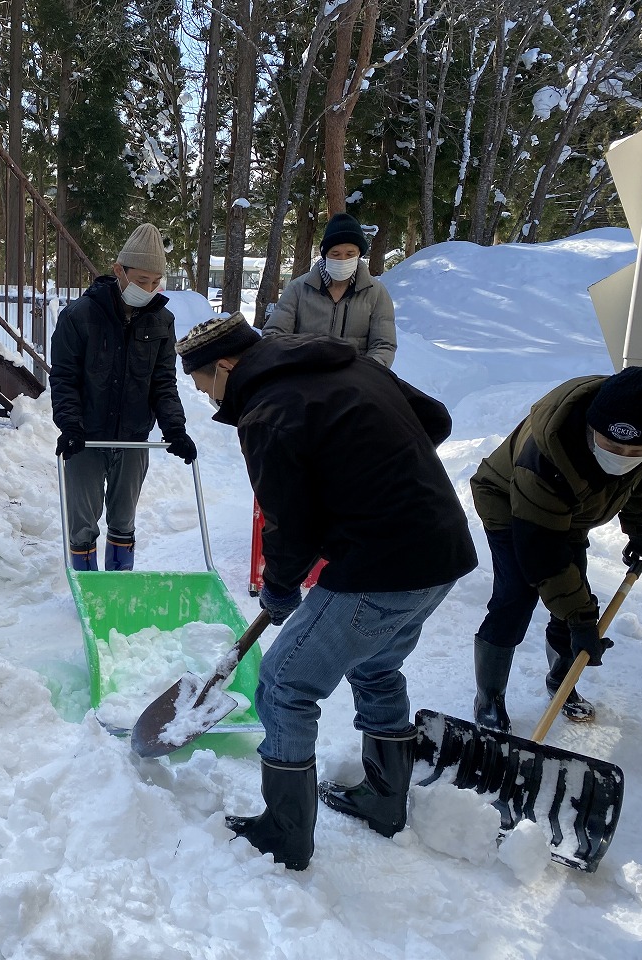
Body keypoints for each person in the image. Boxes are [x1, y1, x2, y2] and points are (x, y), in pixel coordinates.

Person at [175, 314, 476, 871]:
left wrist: (280, 592)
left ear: (223, 367)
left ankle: (285, 832)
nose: (208, 398)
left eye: (202, 386)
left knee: (286, 682)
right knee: (377, 667)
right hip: (443, 551)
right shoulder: (347, 364)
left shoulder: (268, 412)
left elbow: (286, 525)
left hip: (383, 564)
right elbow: (434, 419)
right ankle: (384, 800)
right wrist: (369, 471)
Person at [470, 367, 642, 731]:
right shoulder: (548, 453)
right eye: (613, 446)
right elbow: (544, 553)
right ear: (590, 428)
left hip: (570, 512)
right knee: (517, 597)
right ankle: (489, 697)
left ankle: (561, 683)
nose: (623, 457)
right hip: (510, 502)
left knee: (576, 597)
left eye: (637, 451)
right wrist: (581, 620)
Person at [48, 223, 196, 571]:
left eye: (154, 281)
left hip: (133, 440)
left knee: (124, 520)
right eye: (141, 280)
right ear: (119, 271)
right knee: (82, 523)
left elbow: (163, 382)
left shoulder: (162, 320)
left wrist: (175, 428)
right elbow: (64, 379)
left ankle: (118, 585)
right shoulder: (79, 316)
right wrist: (70, 426)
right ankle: (87, 587)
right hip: (86, 439)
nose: (148, 289)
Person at [262, 212, 396, 367]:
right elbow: (274, 335)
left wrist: (364, 373)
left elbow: (384, 345)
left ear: (359, 253)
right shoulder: (298, 289)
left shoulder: (376, 293)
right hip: (303, 377)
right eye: (336, 254)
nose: (343, 259)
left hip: (355, 382)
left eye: (350, 254)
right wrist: (295, 365)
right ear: (325, 254)